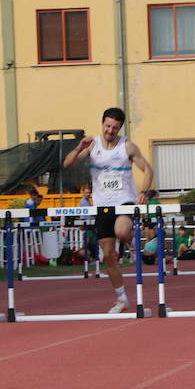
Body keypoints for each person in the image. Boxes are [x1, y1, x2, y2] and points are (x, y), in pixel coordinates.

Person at [61, 106, 155, 314]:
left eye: (115, 127)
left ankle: (132, 243)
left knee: (121, 231)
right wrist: (78, 148)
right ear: (102, 123)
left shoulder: (128, 147)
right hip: (102, 206)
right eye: (107, 126)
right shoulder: (92, 145)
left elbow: (148, 169)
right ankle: (121, 299)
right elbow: (67, 164)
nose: (110, 131)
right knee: (109, 256)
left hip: (124, 202)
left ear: (120, 128)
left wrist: (144, 192)